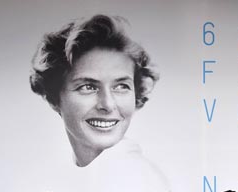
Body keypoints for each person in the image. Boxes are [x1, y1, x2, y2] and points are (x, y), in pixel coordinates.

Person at [30, 15, 159, 168]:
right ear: (54, 98)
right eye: (88, 87)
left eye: (121, 86)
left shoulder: (137, 174)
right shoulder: (63, 171)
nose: (108, 105)